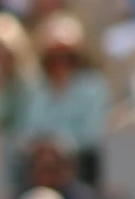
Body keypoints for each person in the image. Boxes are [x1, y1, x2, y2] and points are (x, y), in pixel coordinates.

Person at [12, 15, 107, 185]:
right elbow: (26, 133)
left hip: (78, 168)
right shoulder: (35, 92)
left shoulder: (93, 89)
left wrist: (59, 146)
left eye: (66, 56)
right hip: (38, 168)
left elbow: (91, 135)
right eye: (53, 57)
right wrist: (43, 148)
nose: (60, 63)